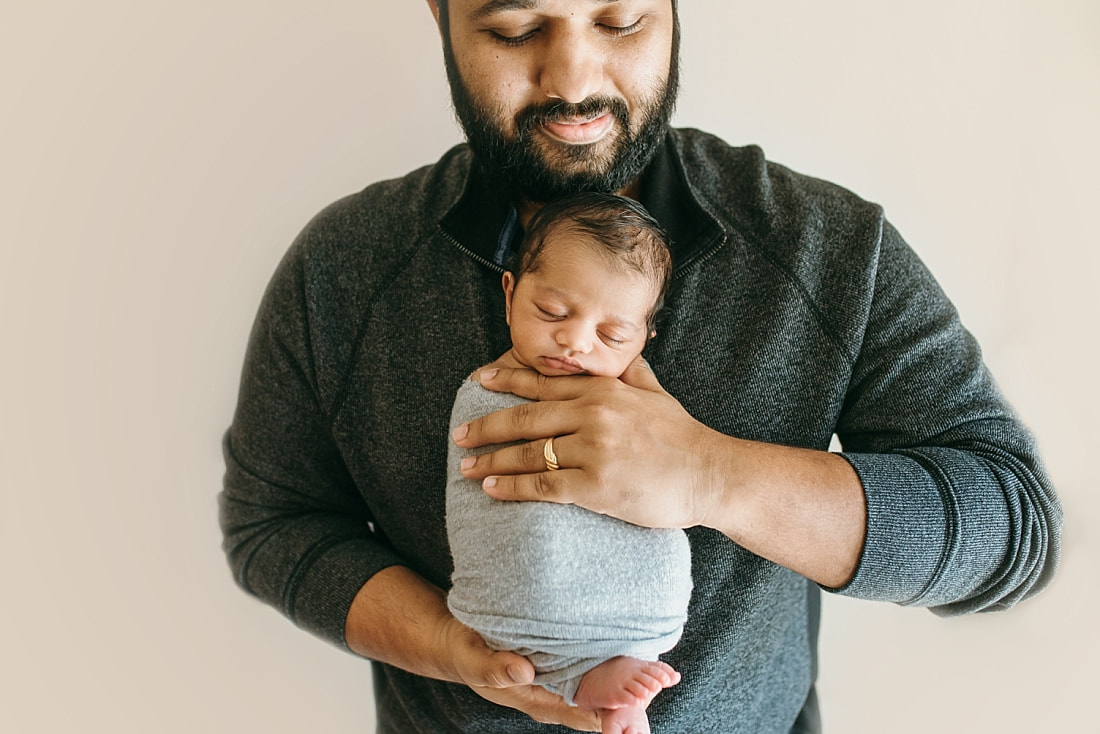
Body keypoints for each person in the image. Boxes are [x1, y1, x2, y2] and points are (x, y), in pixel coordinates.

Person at [219, 1, 1063, 732]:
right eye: (515, 29)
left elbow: (1012, 530)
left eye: (620, 21)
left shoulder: (828, 249)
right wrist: (444, 645)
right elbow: (272, 527)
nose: (573, 81)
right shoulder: (342, 268)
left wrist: (712, 476)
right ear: (441, 16)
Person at [445, 192, 691, 734]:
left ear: (646, 339)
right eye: (552, 312)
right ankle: (577, 677)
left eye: (612, 335)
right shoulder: (488, 392)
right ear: (509, 294)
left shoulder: (647, 408)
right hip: (517, 609)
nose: (574, 342)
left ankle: (601, 685)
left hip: (632, 621)